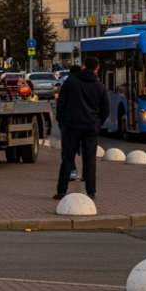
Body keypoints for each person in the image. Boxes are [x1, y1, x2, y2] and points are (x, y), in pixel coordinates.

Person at [54, 55, 109, 200]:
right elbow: (106, 108)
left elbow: (62, 102)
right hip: (91, 126)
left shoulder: (71, 81)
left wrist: (61, 120)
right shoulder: (99, 86)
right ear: (97, 68)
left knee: (67, 158)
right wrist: (98, 123)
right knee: (90, 158)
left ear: (84, 65)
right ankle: (91, 191)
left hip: (71, 125)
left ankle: (61, 191)